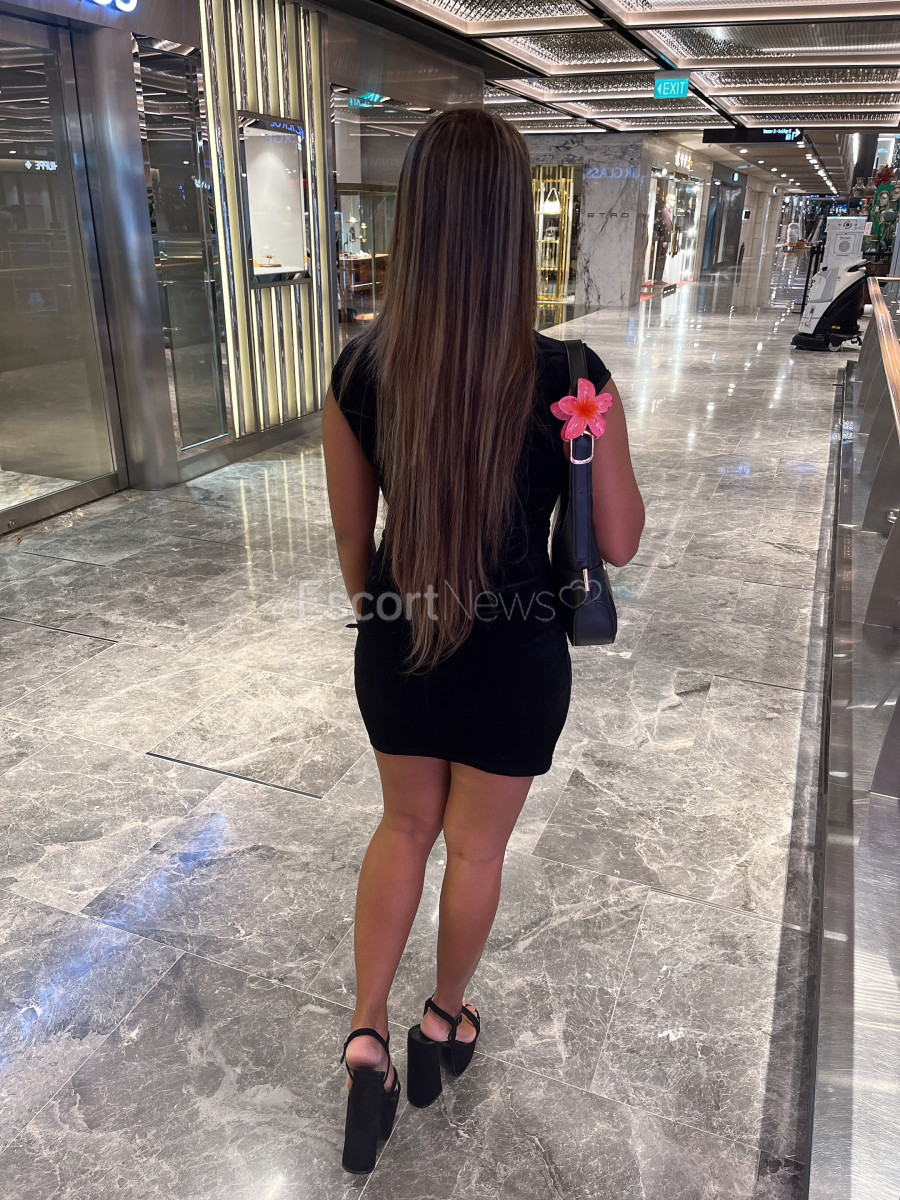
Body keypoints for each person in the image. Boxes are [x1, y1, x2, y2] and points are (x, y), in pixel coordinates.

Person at [323, 107, 644, 1175]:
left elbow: (355, 552)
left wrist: (393, 617)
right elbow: (618, 541)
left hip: (399, 641)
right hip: (517, 657)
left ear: (414, 220)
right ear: (515, 226)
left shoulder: (360, 372)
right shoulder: (572, 377)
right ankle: (441, 1022)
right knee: (476, 849)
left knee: (402, 827)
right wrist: (595, 434)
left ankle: (365, 1039)